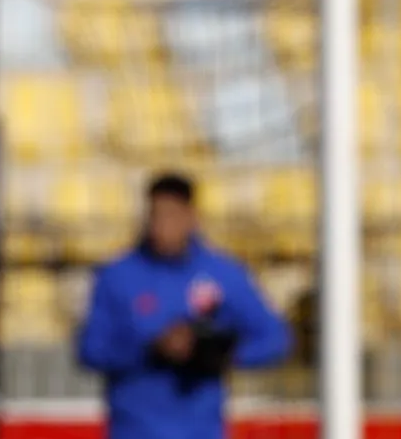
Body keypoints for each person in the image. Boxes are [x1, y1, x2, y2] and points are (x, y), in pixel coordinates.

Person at [77, 172, 292, 439]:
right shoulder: (116, 275)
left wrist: (214, 352)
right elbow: (91, 349)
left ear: (192, 217)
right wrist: (152, 349)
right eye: (156, 216)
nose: (162, 226)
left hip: (201, 430)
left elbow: (274, 338)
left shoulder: (223, 274)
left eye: (172, 216)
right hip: (135, 430)